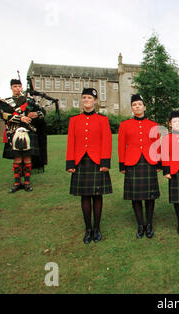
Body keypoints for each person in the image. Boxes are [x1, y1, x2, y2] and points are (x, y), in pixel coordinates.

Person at [66, 88, 112, 244]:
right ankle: (88, 229)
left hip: (97, 162)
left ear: (95, 101)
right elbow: (71, 142)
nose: (86, 100)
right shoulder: (74, 120)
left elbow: (107, 141)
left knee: (97, 195)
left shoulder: (103, 120)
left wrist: (105, 162)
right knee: (85, 196)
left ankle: (97, 228)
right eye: (84, 97)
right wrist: (70, 163)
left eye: (90, 97)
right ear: (82, 100)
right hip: (80, 162)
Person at [118, 94, 161, 239]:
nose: (137, 107)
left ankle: (149, 224)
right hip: (132, 163)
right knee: (135, 197)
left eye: (139, 104)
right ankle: (140, 224)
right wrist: (122, 164)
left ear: (144, 107)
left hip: (149, 162)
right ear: (132, 108)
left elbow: (157, 144)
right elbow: (121, 145)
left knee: (150, 196)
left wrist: (159, 162)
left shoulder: (153, 125)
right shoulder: (125, 125)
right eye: (134, 105)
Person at [0, 78, 46, 193]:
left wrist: (36, 114)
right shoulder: (5, 102)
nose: (17, 89)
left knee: (28, 158)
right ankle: (17, 183)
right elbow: (4, 115)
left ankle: (27, 182)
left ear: (22, 87)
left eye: (19, 86)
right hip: (14, 132)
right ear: (11, 88)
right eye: (15, 87)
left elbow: (43, 112)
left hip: (29, 131)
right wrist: (21, 118)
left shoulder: (29, 100)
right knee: (18, 158)